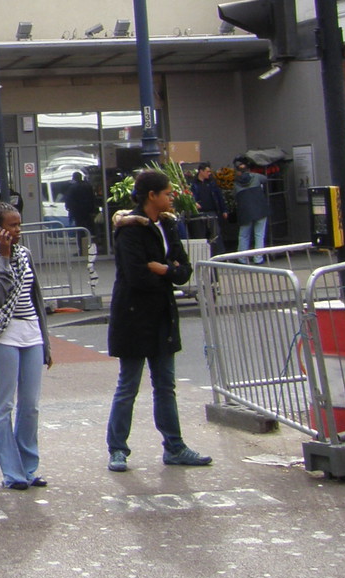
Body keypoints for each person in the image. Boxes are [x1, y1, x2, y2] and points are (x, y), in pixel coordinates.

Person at [105, 169, 211, 473]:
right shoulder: (130, 229)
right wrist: (167, 271)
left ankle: (174, 446)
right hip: (134, 316)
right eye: (167, 193)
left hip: (163, 314)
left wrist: (163, 270)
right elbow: (136, 275)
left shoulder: (168, 224)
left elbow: (184, 269)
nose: (172, 197)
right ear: (152, 196)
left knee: (166, 385)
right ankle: (118, 450)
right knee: (129, 385)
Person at [0, 202, 52, 489]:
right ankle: (12, 473)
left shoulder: (25, 254)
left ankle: (29, 468)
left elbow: (36, 299)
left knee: (30, 406)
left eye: (19, 224)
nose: (18, 231)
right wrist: (4, 259)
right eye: (12, 225)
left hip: (31, 334)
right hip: (1, 335)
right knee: (4, 405)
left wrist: (47, 343)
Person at [231, 158, 269, 263]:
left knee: (244, 235)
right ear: (248, 169)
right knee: (259, 235)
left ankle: (242, 258)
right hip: (260, 209)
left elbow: (234, 196)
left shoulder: (236, 183)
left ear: (238, 171)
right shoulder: (256, 177)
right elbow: (265, 179)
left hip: (245, 212)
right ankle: (258, 258)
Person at [189, 163, 228, 253]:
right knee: (201, 236)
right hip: (199, 214)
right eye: (207, 171)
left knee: (216, 235)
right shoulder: (193, 184)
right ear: (201, 171)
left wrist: (224, 210)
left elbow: (219, 197)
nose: (209, 173)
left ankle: (219, 256)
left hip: (211, 212)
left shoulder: (212, 183)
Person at [63, 171, 99, 256]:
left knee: (80, 232)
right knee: (89, 231)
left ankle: (82, 250)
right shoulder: (88, 186)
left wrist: (70, 210)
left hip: (78, 213)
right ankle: (91, 249)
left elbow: (69, 200)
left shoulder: (73, 188)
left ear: (74, 178)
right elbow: (93, 198)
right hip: (88, 212)